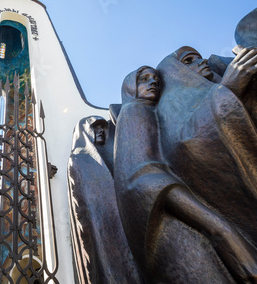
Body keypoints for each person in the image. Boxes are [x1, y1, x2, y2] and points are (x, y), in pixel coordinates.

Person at [114, 66, 257, 283]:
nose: (153, 83)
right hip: (172, 230)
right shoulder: (134, 110)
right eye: (144, 79)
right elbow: (143, 178)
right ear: (129, 88)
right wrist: (223, 231)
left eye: (156, 80)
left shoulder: (149, 113)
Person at [156, 46, 257, 247]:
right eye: (189, 60)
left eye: (199, 58)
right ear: (174, 74)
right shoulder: (173, 112)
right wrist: (229, 88)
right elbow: (188, 145)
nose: (201, 62)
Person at [68, 115, 142, 284]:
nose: (100, 131)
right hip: (105, 232)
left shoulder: (117, 156)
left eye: (103, 127)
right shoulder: (79, 159)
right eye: (95, 127)